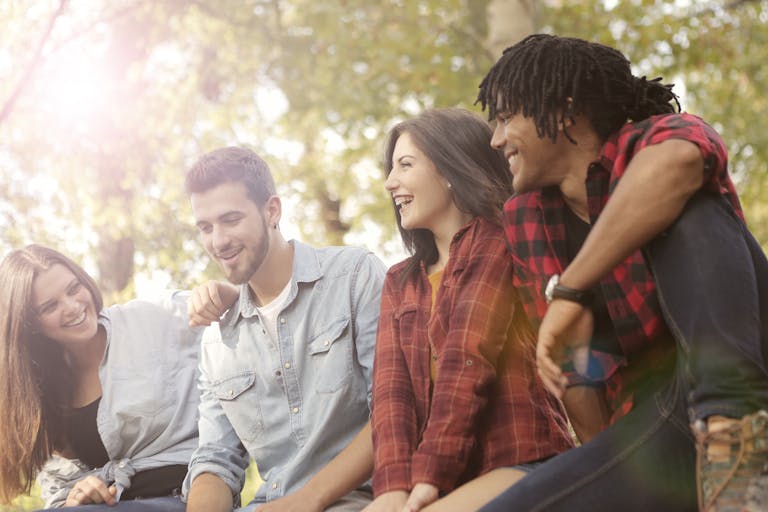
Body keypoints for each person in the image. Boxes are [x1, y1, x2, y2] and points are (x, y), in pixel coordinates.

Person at [474, 34, 768, 511]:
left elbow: (678, 163)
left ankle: (734, 431)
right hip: (666, 423)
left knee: (691, 207)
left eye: (507, 118)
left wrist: (571, 290)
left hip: (749, 380)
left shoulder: (660, 138)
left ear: (565, 111)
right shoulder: (526, 217)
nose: (496, 139)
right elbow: (572, 375)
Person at [363, 108, 574, 512]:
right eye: (391, 170)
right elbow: (392, 395)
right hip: (442, 481)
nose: (391, 183)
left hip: (521, 461)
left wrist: (428, 477)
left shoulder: (496, 241)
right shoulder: (399, 281)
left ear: (449, 168)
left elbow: (466, 358)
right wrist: (391, 488)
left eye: (405, 165)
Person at [181, 146, 386, 512]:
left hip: (359, 501)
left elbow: (391, 413)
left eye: (231, 220)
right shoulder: (217, 341)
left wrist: (305, 501)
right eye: (206, 227)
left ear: (272, 210)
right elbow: (215, 459)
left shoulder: (353, 277)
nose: (218, 241)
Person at [0, 245, 202, 511]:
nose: (72, 307)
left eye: (74, 289)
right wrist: (74, 497)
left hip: (185, 494)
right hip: (111, 506)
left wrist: (219, 294)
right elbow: (59, 489)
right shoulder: (40, 391)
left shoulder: (153, 318)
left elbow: (242, 314)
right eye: (50, 306)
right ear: (30, 324)